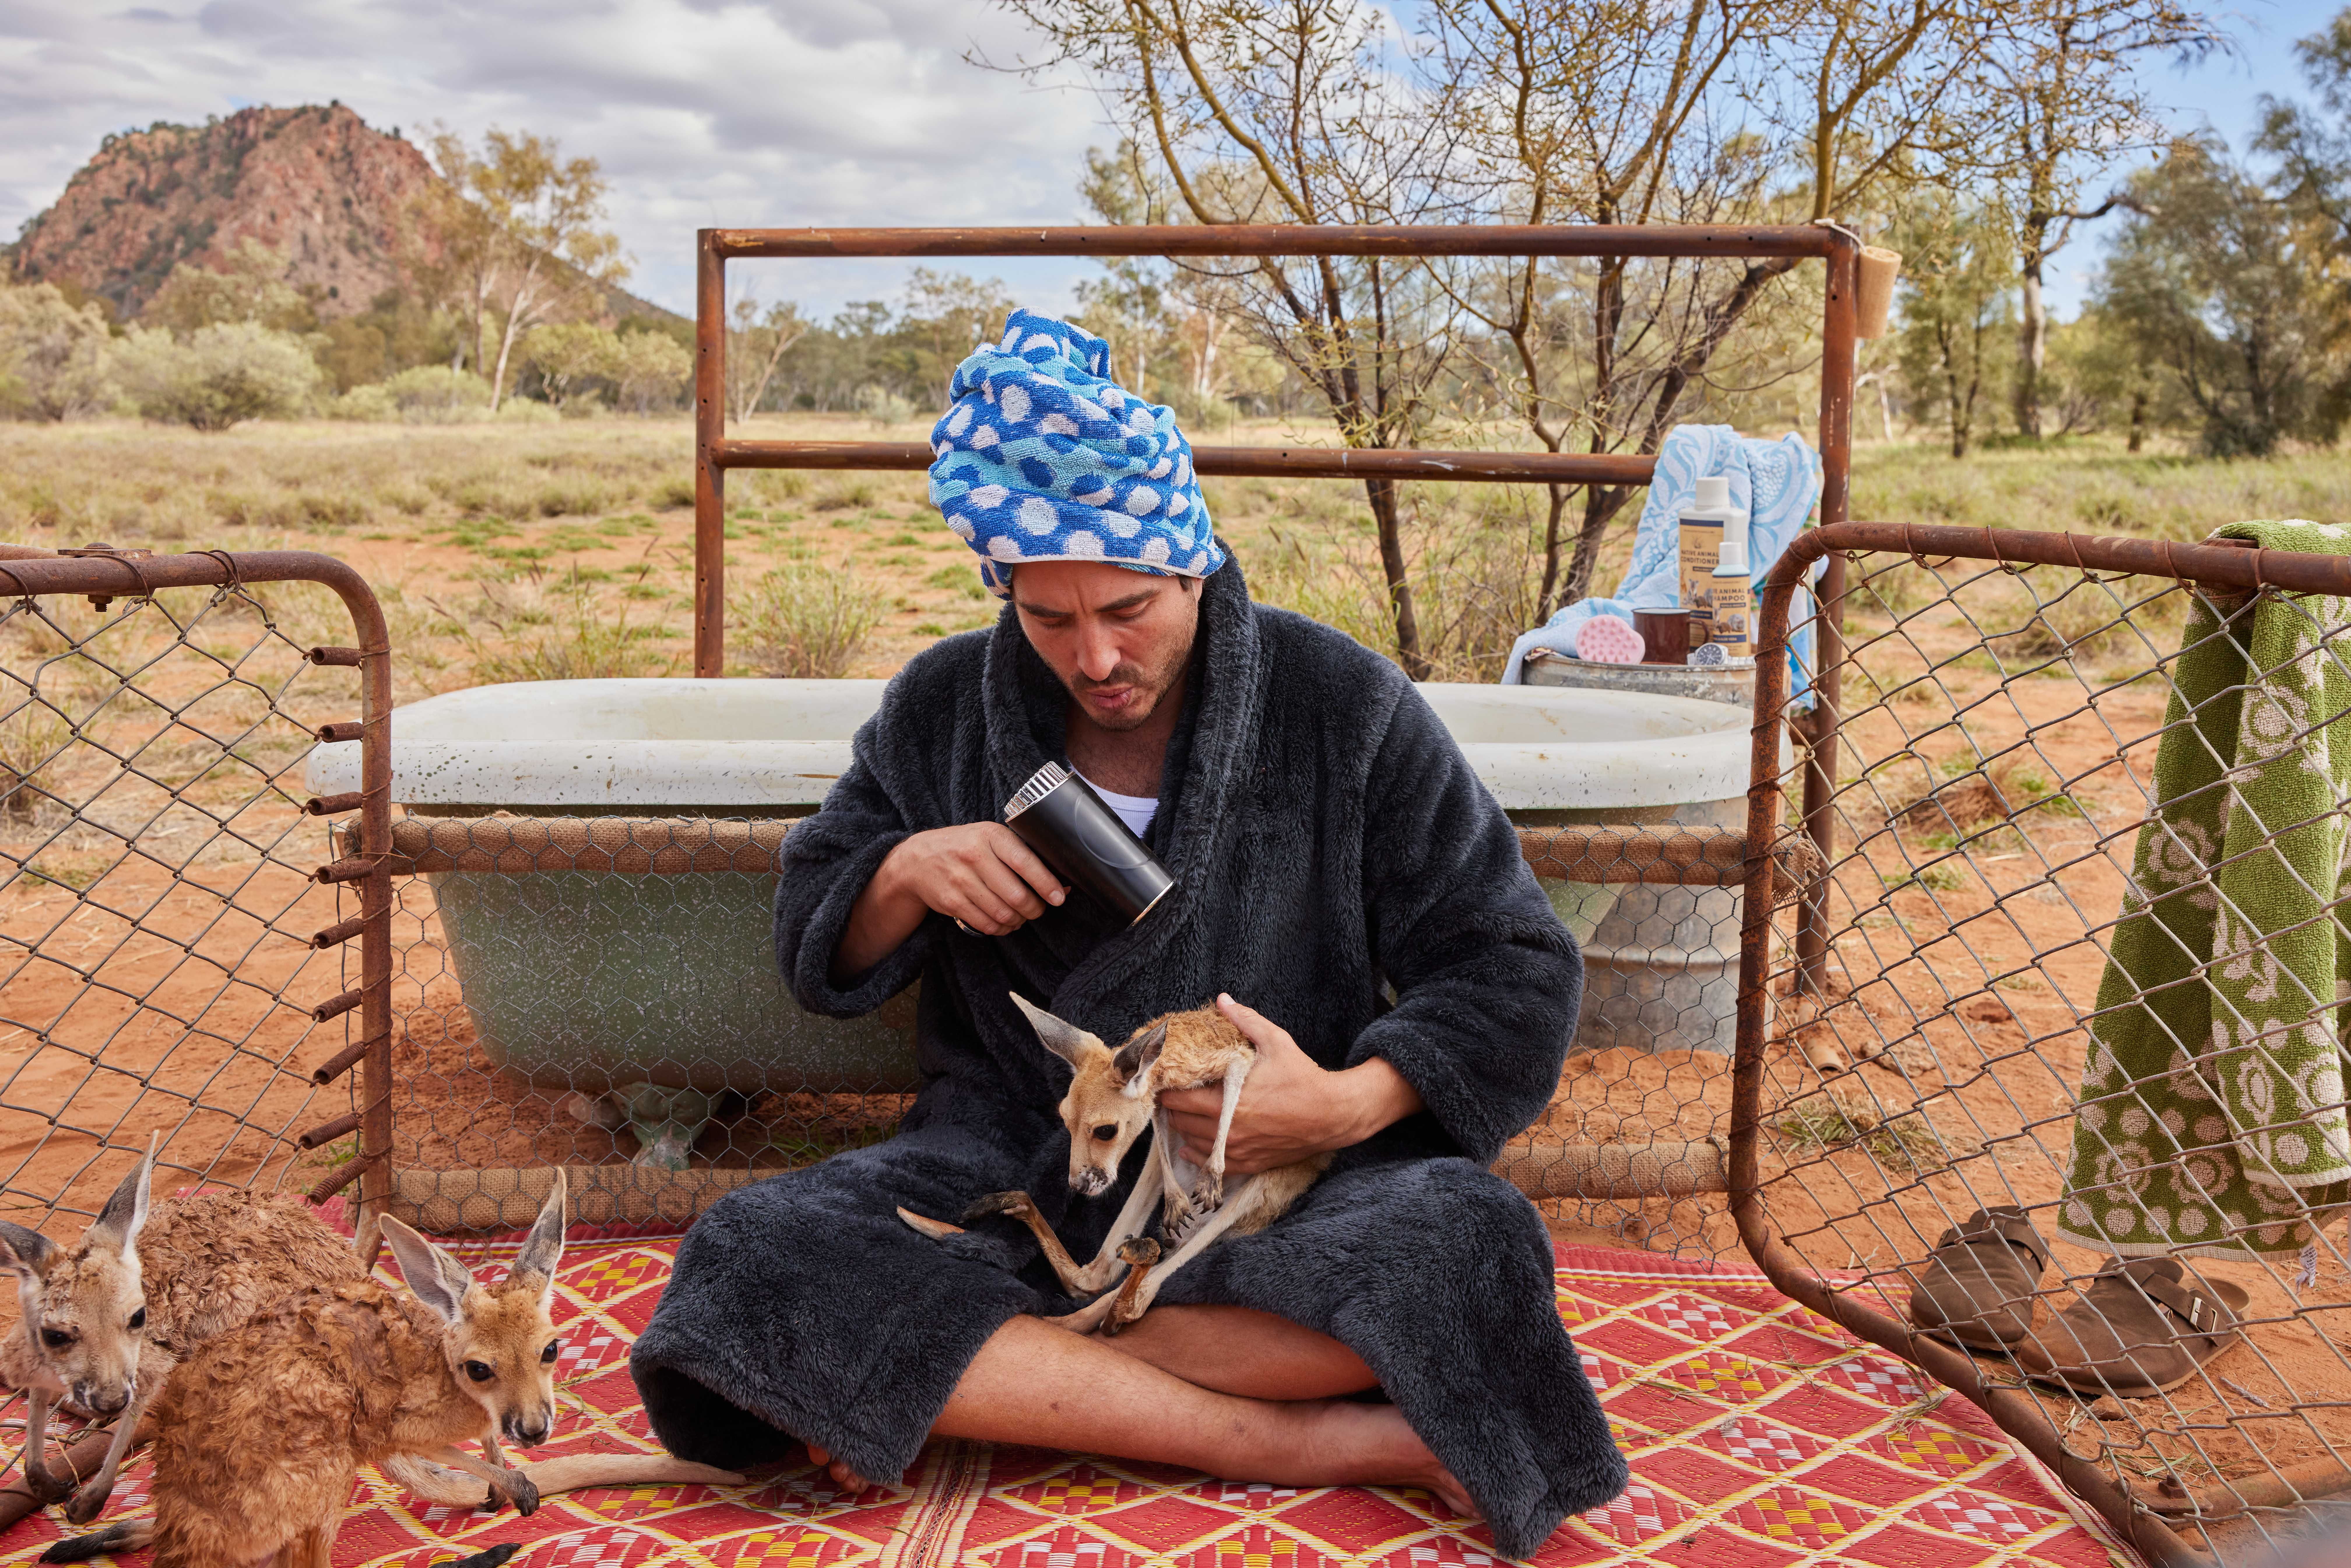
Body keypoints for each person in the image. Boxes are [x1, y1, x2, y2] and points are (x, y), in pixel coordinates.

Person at [630, 310, 1623, 1559]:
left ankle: (965, 1367)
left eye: (1129, 606)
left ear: (1193, 564)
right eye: (1047, 618)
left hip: (1269, 1187)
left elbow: (1511, 961)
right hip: (1010, 1161)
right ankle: (1279, 1439)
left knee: (1464, 1249)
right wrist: (903, 871)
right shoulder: (942, 707)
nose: (1095, 657)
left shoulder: (1342, 705)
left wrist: (1340, 1107)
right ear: (1005, 589)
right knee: (750, 1259)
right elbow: (812, 929)